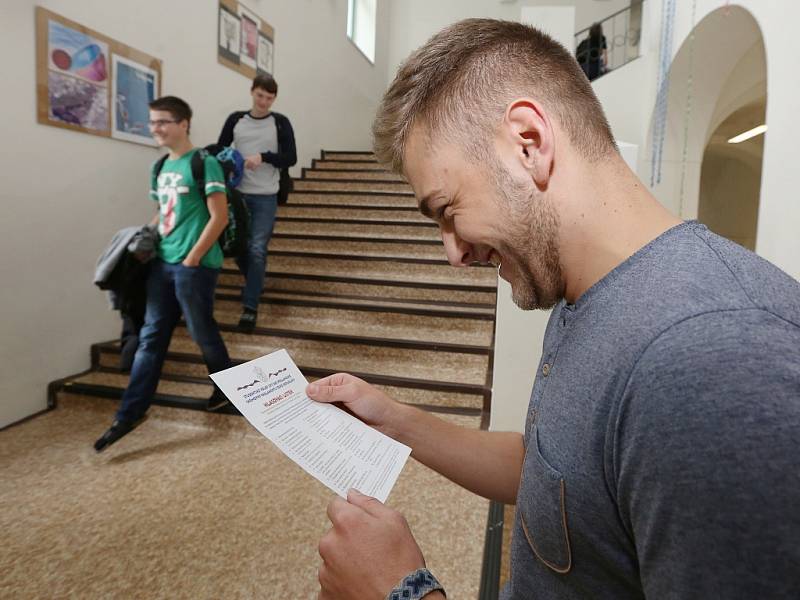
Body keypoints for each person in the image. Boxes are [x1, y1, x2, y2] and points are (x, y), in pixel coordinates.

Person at [307, 19, 800, 600]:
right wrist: (393, 420)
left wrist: (402, 593)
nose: (454, 253)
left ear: (528, 141)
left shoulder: (711, 362)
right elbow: (555, 474)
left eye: (447, 210)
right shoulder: (585, 293)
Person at [94, 96, 234, 453]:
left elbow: (218, 218)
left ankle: (227, 389)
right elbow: (162, 211)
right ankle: (130, 413)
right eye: (152, 122)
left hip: (195, 266)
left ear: (184, 123)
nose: (155, 128)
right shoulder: (159, 167)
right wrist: (145, 237)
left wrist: (192, 259)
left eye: (162, 122)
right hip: (161, 264)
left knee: (202, 331)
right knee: (151, 337)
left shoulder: (205, 163)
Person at [217, 75, 297, 333]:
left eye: (270, 98)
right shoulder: (236, 119)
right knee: (239, 247)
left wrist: (263, 157)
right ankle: (255, 280)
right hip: (237, 193)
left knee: (257, 249)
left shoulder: (280, 123)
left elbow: (291, 158)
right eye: (260, 95)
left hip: (266, 194)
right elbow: (219, 150)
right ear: (252, 92)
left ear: (274, 99)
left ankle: (250, 308)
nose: (264, 101)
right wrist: (233, 161)